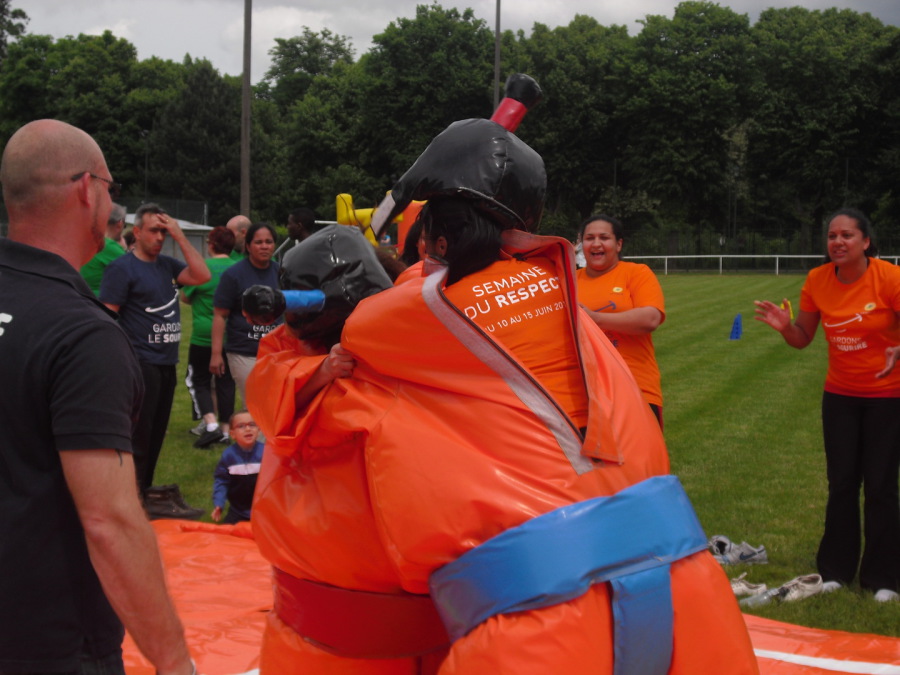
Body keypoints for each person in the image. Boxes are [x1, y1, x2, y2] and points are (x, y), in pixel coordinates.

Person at [247, 118, 756, 673]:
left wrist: (314, 305)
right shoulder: (563, 292)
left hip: (545, 619)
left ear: (438, 242)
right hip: (688, 592)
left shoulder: (401, 321)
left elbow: (313, 355)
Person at [0, 119, 194, 675]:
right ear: (87, 189)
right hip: (48, 641)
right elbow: (109, 521)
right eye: (111, 188)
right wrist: (175, 663)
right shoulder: (81, 335)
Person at [755, 208, 900, 603]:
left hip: (888, 397)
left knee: (881, 486)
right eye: (833, 235)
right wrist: (785, 327)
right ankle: (835, 571)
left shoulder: (889, 278)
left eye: (847, 235)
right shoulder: (818, 279)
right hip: (840, 396)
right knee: (842, 484)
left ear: (866, 242)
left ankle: (884, 579)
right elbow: (802, 338)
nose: (838, 241)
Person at [100, 202, 211, 509]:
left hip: (165, 363)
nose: (160, 237)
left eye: (164, 232)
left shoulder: (166, 265)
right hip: (140, 363)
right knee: (138, 436)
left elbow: (202, 275)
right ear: (136, 232)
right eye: (154, 231)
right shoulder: (121, 268)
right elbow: (107, 318)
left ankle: (143, 493)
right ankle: (129, 497)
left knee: (156, 435)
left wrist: (180, 235)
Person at [575, 214, 666, 426]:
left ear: (618, 244)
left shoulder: (636, 273)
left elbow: (650, 318)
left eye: (604, 237)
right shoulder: (568, 280)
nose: (596, 243)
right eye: (589, 238)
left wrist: (595, 319)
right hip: (583, 393)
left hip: (634, 387)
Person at [211, 221, 282, 407]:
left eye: (268, 242)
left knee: (275, 404)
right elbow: (220, 315)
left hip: (277, 353)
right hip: (244, 351)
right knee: (255, 404)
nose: (264, 246)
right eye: (258, 242)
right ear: (248, 246)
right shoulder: (233, 275)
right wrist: (216, 354)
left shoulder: (282, 273)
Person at [182, 225, 237, 448]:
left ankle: (211, 424)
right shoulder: (238, 268)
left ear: (212, 245)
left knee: (200, 380)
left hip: (203, 335)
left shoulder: (202, 267)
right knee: (226, 383)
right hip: (230, 336)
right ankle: (225, 431)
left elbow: (185, 297)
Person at [211, 410, 264, 524]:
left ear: (259, 430)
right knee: (228, 534)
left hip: (264, 510)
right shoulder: (228, 456)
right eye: (241, 426)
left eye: (252, 425)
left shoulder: (267, 453)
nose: (248, 429)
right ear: (232, 434)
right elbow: (222, 481)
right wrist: (219, 503)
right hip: (238, 511)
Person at [80, 201, 127, 295]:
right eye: (124, 226)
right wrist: (124, 250)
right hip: (98, 301)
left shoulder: (84, 240)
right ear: (120, 224)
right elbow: (137, 275)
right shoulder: (110, 247)